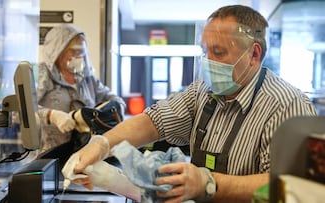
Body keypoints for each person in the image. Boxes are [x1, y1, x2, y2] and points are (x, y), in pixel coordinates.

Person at [69, 5, 317, 203]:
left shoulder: (287, 107)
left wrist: (208, 184)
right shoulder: (203, 91)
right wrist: (102, 145)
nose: (208, 62)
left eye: (218, 53)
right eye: (205, 51)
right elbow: (154, 122)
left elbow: (288, 187)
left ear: (253, 54)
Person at [36, 24, 126, 154]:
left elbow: (114, 99)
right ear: (58, 51)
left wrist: (117, 108)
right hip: (50, 154)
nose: (80, 57)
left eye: (82, 52)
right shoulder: (42, 75)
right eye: (74, 51)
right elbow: (22, 111)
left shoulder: (87, 79)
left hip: (83, 151)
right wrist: (52, 116)